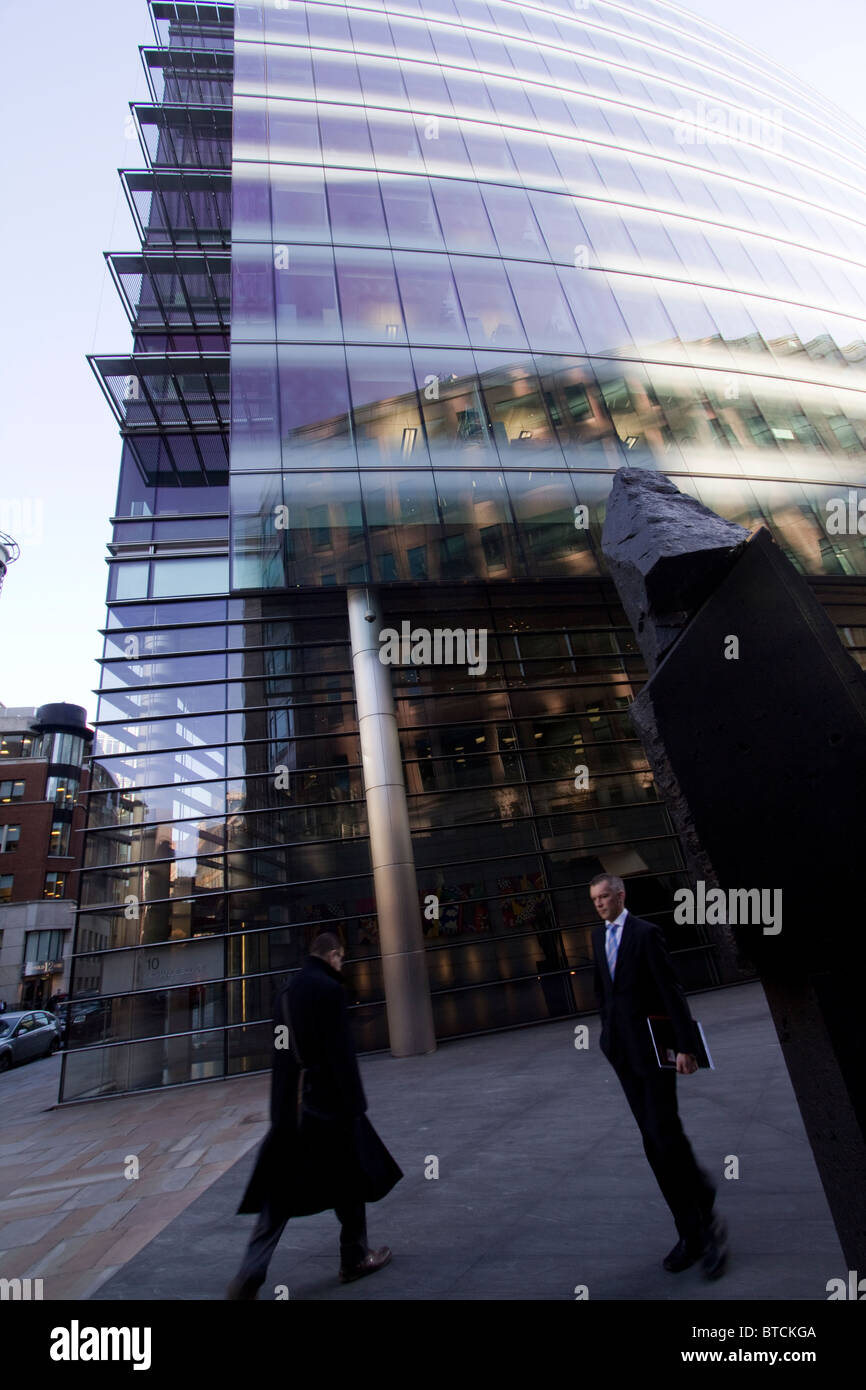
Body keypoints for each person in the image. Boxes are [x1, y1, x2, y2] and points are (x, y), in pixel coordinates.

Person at [226, 932, 401, 1299]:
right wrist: (355, 1106)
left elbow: (281, 1053)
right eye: (341, 958)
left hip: (294, 1107)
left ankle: (250, 1271)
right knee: (350, 1179)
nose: (341, 964)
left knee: (279, 1194)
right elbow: (341, 1054)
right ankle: (354, 1257)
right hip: (330, 1104)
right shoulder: (330, 990)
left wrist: (280, 1110)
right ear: (333, 955)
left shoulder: (286, 992)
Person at [589, 873, 728, 1278]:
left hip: (653, 1053)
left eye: (604, 896)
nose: (599, 904)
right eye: (594, 899)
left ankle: (704, 1225)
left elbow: (671, 990)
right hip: (622, 1055)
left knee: (665, 1135)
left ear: (620, 896)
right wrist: (606, 1037)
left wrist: (686, 1047)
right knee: (653, 1142)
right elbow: (603, 992)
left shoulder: (646, 934)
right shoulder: (597, 938)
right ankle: (691, 1225)